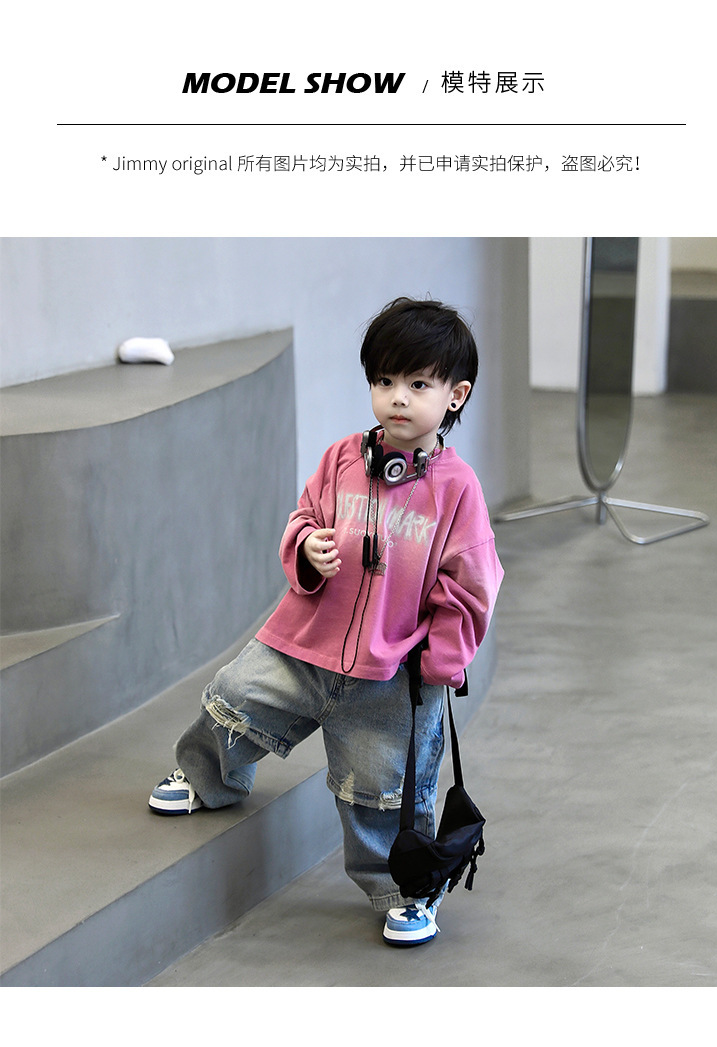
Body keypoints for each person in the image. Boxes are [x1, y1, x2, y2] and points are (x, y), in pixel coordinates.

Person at [149, 296, 503, 946]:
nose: (397, 397)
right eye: (384, 381)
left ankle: (407, 891)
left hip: (389, 677)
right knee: (234, 696)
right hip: (303, 645)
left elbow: (472, 584)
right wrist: (307, 546)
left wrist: (441, 661)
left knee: (380, 790)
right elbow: (304, 517)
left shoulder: (457, 490)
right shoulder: (343, 459)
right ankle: (207, 779)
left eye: (417, 384)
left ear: (455, 395)